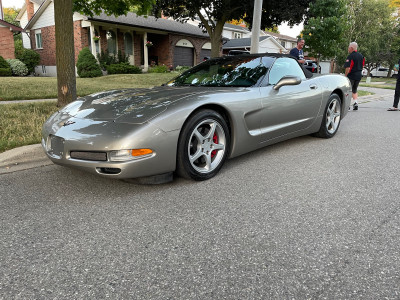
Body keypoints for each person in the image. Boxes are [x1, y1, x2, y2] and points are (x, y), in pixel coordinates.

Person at [344, 42, 365, 110]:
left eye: (348, 47)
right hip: (358, 75)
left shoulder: (350, 56)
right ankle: (355, 103)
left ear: (351, 48)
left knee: (348, 90)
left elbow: (348, 67)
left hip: (351, 75)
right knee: (354, 90)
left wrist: (345, 75)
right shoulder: (361, 56)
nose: (348, 49)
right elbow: (362, 65)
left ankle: (348, 105)